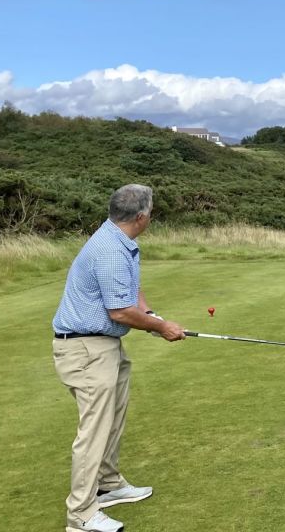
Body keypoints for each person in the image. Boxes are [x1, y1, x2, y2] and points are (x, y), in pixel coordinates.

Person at [51, 184, 186, 532]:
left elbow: (131, 292)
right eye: (151, 212)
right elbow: (121, 312)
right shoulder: (110, 249)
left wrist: (154, 317)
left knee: (112, 418)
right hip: (85, 349)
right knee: (93, 431)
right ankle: (80, 515)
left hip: (105, 348)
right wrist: (161, 328)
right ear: (141, 217)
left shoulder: (120, 241)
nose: (152, 217)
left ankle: (108, 485)